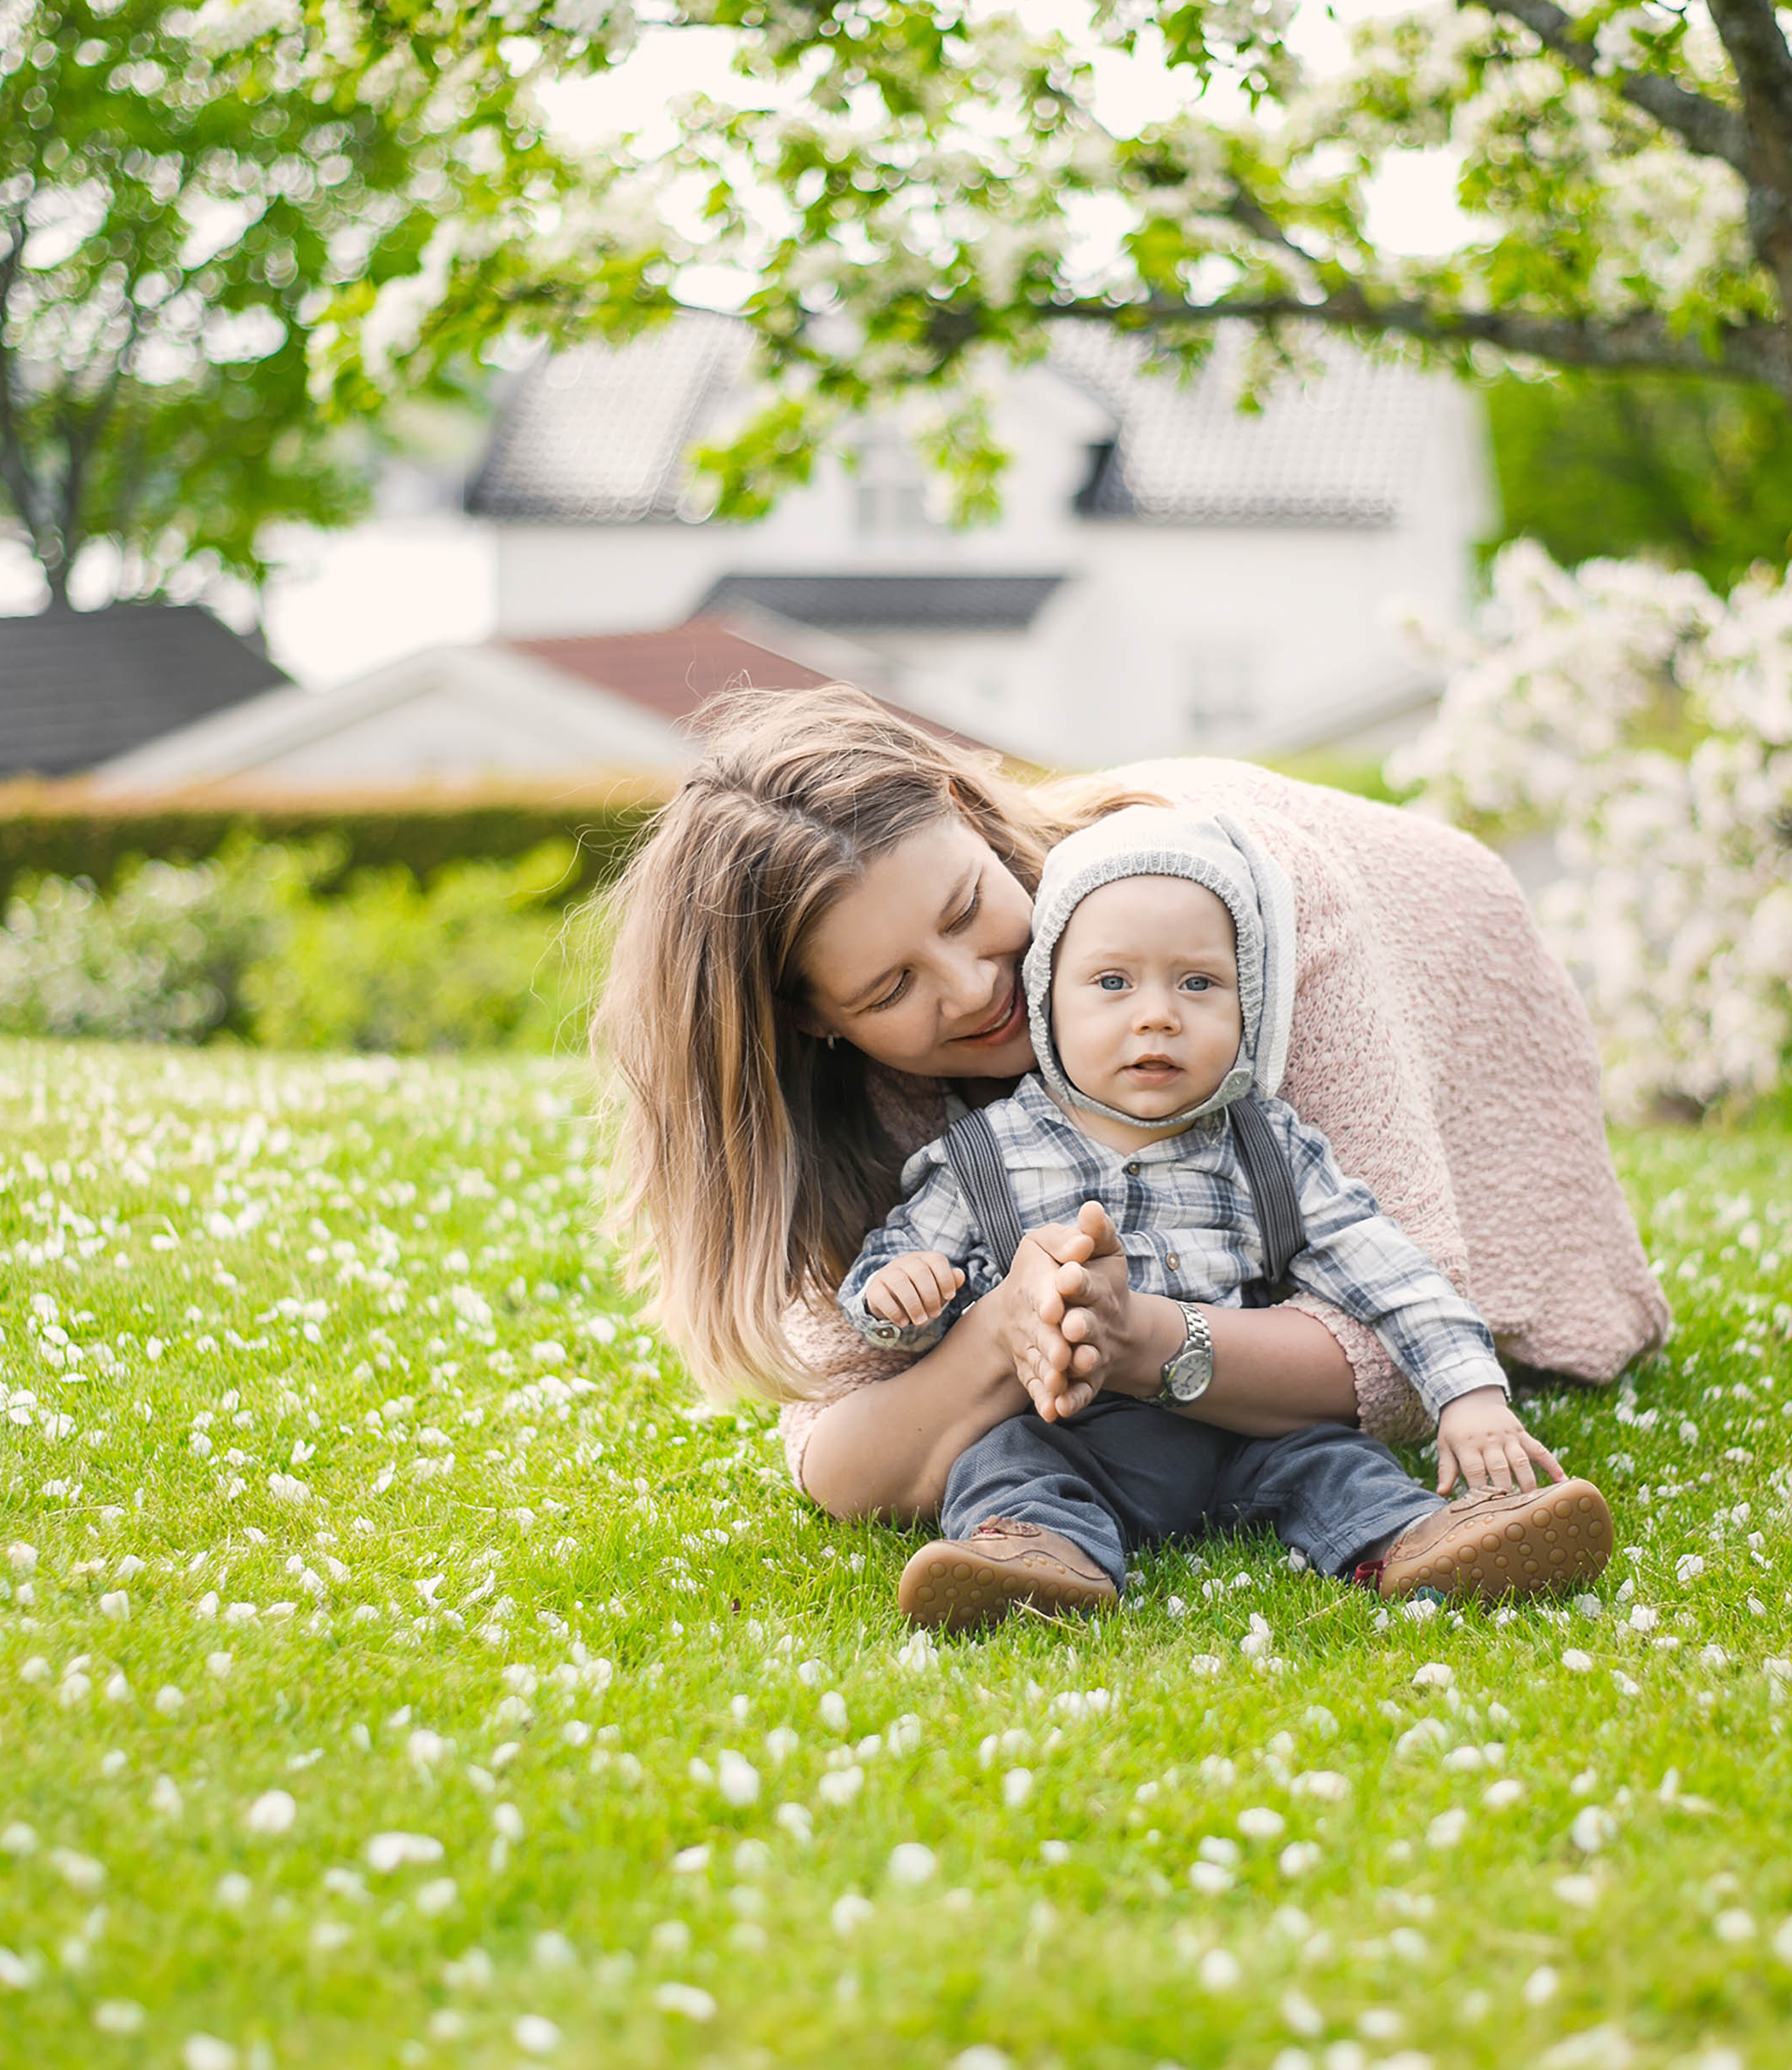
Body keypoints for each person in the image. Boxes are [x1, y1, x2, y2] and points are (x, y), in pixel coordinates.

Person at [598, 685, 1669, 1540]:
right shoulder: (863, 1097)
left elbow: (1389, 1348)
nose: (974, 988)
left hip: (1427, 931)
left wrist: (1138, 1338)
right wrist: (994, 1335)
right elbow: (841, 1454)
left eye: (969, 909)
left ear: (972, 815)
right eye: (889, 990)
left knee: (1439, 1327)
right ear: (811, 1025)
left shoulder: (1227, 933)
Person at [833, 804, 1614, 1626]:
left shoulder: (1272, 1148)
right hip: (1075, 1433)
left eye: (1199, 983)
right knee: (1002, 1460)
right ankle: (1037, 1553)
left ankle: (1415, 1541)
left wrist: (1470, 1395)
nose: (1158, 1014)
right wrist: (901, 1293)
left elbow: (1392, 1270)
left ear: (1252, 1004)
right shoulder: (981, 1156)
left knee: (1337, 1462)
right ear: (1045, 998)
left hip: (1242, 1424)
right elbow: (895, 1276)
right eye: (1111, 983)